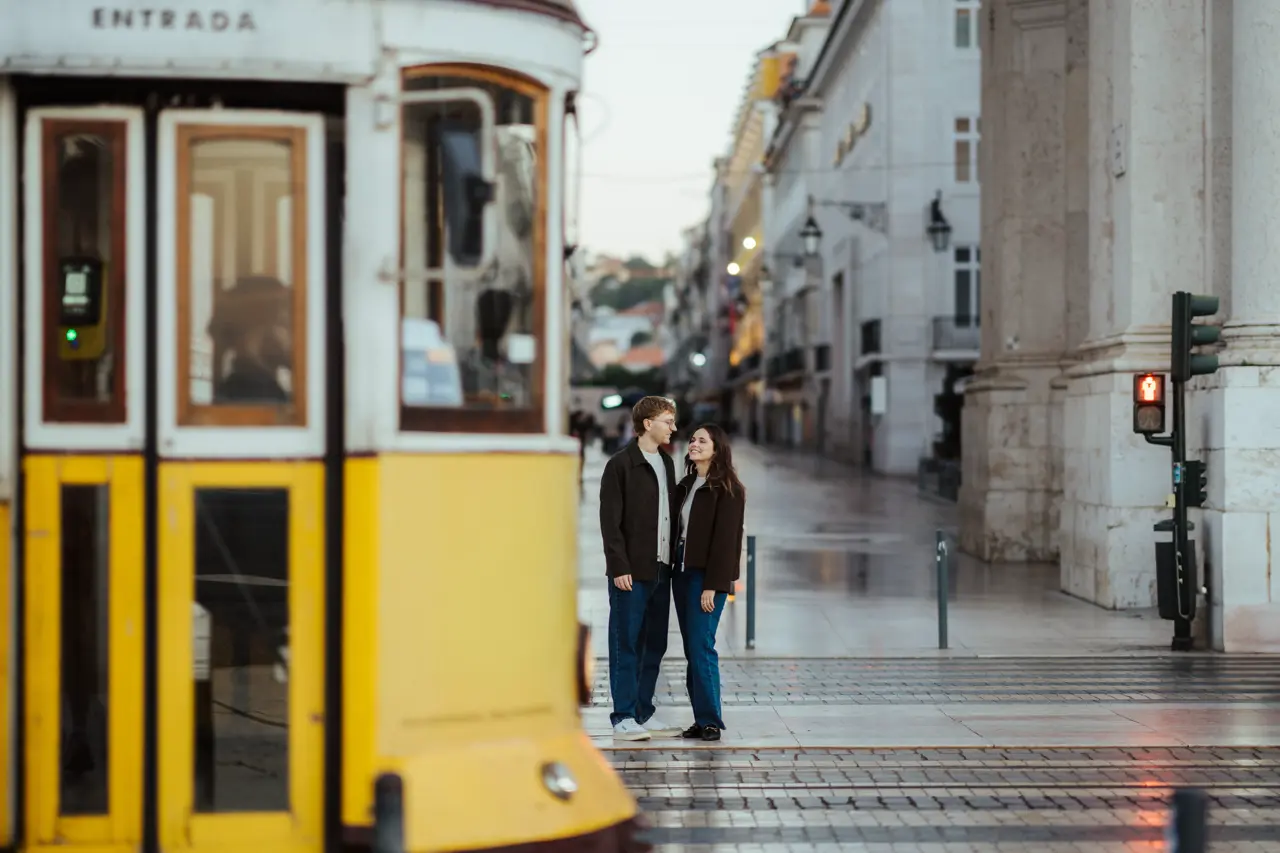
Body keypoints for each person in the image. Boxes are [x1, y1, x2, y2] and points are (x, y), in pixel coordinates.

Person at [598, 395, 684, 740]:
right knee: (626, 643)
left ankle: (643, 712)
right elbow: (610, 523)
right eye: (668, 421)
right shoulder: (619, 465)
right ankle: (622, 717)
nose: (673, 428)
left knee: (655, 644)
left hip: (661, 568)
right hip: (630, 572)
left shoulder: (667, 463)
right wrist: (619, 566)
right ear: (647, 424)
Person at [672, 423, 746, 742]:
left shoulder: (728, 488)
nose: (694, 444)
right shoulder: (687, 484)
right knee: (692, 648)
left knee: (702, 646)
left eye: (703, 440)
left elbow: (727, 542)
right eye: (692, 440)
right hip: (681, 573)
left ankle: (711, 720)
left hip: (706, 577)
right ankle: (700, 718)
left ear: (717, 448)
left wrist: (714, 586)